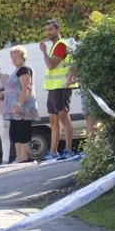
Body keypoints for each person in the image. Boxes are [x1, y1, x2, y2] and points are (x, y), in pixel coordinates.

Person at [39, 19, 76, 161]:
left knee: (63, 118)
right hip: (53, 88)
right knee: (53, 120)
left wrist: (43, 52)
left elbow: (51, 65)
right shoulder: (54, 46)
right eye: (47, 30)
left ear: (58, 30)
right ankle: (53, 151)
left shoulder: (61, 45)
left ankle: (68, 149)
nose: (48, 32)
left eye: (51, 29)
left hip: (62, 87)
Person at [3, 46, 37, 163]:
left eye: (16, 57)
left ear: (23, 57)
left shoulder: (24, 69)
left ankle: (23, 157)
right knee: (14, 133)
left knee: (22, 131)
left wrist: (19, 104)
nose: (13, 60)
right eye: (12, 57)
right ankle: (18, 157)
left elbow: (25, 88)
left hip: (22, 108)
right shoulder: (16, 70)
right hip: (13, 110)